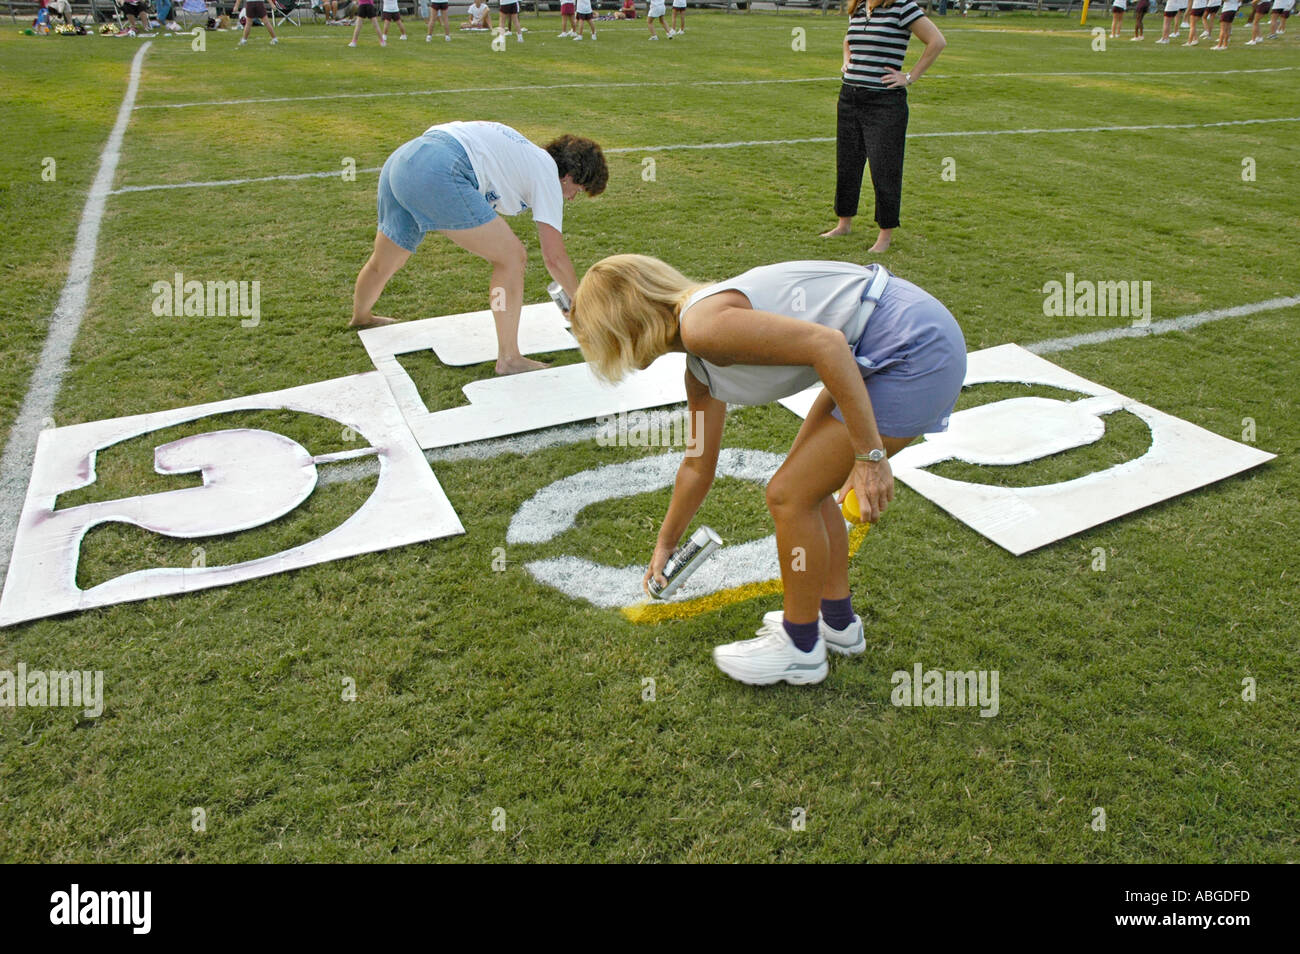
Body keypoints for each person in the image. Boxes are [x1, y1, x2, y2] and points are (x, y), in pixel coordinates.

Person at [569, 256, 966, 686]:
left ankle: (800, 649)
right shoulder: (700, 360)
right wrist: (666, 543)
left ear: (622, 323)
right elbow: (698, 464)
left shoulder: (703, 326)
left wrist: (869, 457)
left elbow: (828, 345)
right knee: (806, 493)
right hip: (890, 340)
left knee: (789, 495)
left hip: (913, 345)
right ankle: (837, 624)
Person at [351, 122, 607, 375]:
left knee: (386, 260)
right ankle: (509, 358)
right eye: (578, 190)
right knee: (511, 257)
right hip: (439, 168)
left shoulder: (525, 157)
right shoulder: (547, 172)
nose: (571, 197)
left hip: (403, 161)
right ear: (570, 176)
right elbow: (554, 258)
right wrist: (581, 304)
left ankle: (361, 316)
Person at [822, 0, 946, 254]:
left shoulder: (903, 7)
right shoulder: (857, 8)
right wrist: (847, 61)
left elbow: (937, 41)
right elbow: (848, 40)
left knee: (884, 168)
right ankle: (843, 223)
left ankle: (885, 234)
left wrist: (909, 77)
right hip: (849, 97)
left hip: (884, 103)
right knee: (848, 164)